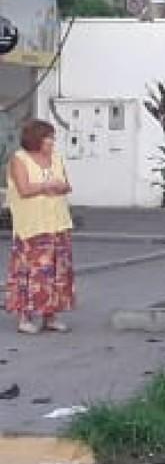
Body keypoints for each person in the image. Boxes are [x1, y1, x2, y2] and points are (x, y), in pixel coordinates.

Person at [5, 120, 75, 334]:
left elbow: (67, 185)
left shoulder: (56, 158)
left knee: (56, 271)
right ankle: (25, 317)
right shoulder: (19, 159)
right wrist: (47, 186)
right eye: (49, 137)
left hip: (57, 222)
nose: (52, 142)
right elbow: (24, 189)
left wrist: (61, 186)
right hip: (32, 225)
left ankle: (50, 315)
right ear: (36, 138)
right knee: (31, 271)